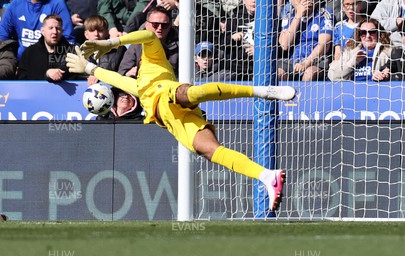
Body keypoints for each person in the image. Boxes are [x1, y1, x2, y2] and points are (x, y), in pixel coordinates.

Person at [66, 30, 294, 211]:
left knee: (190, 93)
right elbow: (114, 77)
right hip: (174, 120)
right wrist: (88, 68)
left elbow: (148, 36)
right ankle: (267, 176)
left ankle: (264, 91)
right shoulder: (137, 86)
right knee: (210, 150)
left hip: (169, 93)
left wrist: (111, 43)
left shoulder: (154, 59)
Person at [277, 0, 334, 81]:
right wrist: (298, 15)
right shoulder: (289, 16)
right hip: (293, 61)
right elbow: (284, 45)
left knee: (309, 74)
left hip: (317, 61)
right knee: (278, 73)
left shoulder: (325, 14)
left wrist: (306, 63)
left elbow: (324, 46)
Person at [0, 0, 74, 59]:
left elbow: (68, 39)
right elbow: (2, 37)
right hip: (23, 62)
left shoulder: (57, 4)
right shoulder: (16, 4)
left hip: (50, 62)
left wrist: (54, 63)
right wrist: (11, 61)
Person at [118, 6, 178, 78]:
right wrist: (128, 73)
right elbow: (122, 72)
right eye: (155, 24)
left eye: (164, 25)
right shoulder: (137, 44)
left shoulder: (180, 47)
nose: (160, 28)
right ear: (146, 24)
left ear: (169, 26)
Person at [327, 18, 392, 81]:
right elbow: (332, 76)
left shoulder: (387, 52)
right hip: (352, 90)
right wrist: (353, 62)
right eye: (363, 32)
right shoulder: (349, 51)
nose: (367, 36)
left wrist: (382, 75)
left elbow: (395, 74)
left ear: (378, 34)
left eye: (372, 32)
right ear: (359, 35)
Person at [17, 14, 78, 81]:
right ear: (42, 31)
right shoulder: (30, 52)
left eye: (58, 28)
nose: (54, 32)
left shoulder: (72, 51)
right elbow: (22, 78)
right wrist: (46, 74)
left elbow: (76, 75)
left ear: (62, 31)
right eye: (50, 28)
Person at [83, 15, 126, 85]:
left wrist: (99, 74)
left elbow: (123, 74)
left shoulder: (118, 50)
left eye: (100, 30)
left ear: (107, 32)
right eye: (92, 30)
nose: (96, 34)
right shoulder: (79, 52)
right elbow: (74, 75)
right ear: (86, 34)